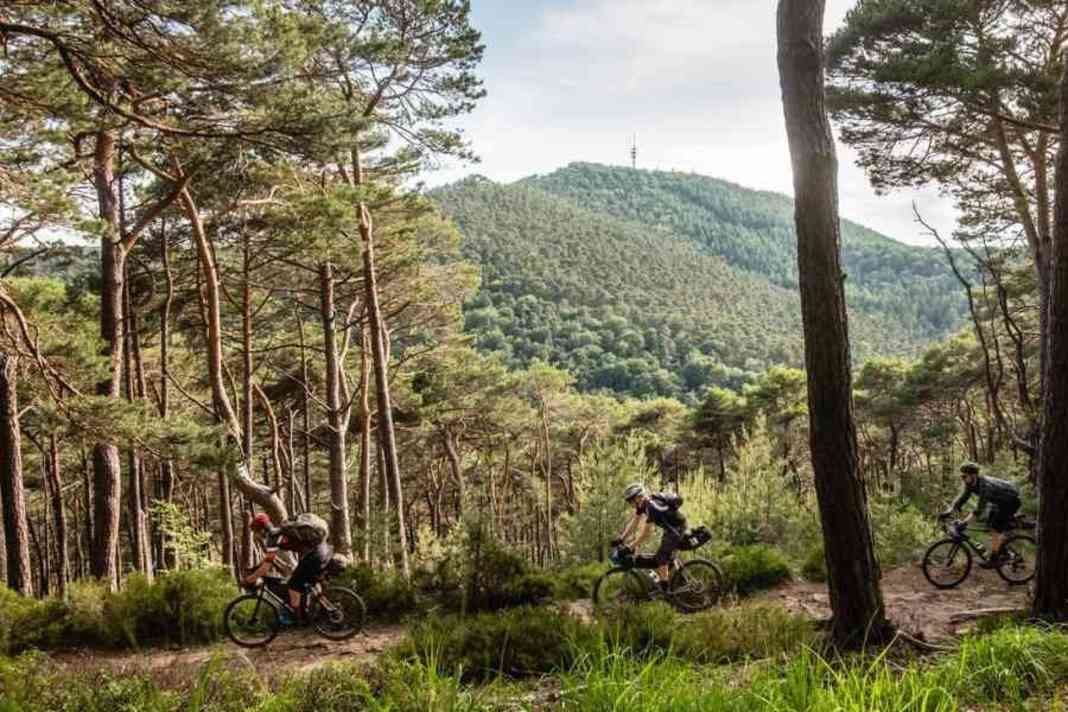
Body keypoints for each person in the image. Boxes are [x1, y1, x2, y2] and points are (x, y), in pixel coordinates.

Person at [243, 513, 333, 620]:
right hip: (323, 549)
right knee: (302, 582)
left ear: (261, 529)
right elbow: (268, 559)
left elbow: (266, 566)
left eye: (256, 531)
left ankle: (298, 619)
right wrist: (256, 568)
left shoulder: (273, 537)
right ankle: (313, 611)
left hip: (315, 555)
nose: (256, 535)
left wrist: (249, 579)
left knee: (293, 584)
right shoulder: (280, 531)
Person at [940, 461, 1021, 569]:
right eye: (961, 476)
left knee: (995, 528)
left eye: (964, 476)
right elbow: (961, 499)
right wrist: (948, 512)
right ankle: (1003, 551)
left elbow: (979, 510)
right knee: (989, 525)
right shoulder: (971, 484)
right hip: (999, 502)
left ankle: (995, 559)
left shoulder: (985, 486)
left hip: (1010, 502)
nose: (962, 479)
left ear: (973, 475)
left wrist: (965, 523)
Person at [612, 483, 686, 589]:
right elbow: (634, 522)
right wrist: (621, 539)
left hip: (677, 529)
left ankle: (666, 590)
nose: (630, 503)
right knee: (663, 557)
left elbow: (646, 533)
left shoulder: (652, 507)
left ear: (638, 498)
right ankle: (671, 581)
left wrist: (629, 547)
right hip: (670, 529)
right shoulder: (643, 505)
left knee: (662, 557)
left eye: (631, 500)